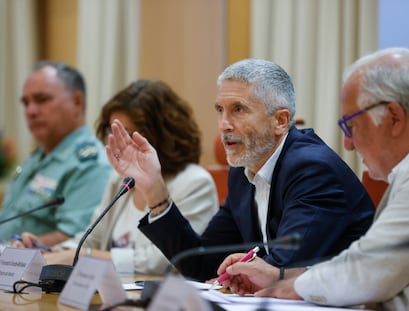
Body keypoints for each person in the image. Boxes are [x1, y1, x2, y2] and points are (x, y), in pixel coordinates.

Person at [106, 58, 375, 282]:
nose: (224, 124)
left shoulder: (312, 169)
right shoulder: (242, 172)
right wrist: (154, 189)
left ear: (280, 121)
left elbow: (281, 269)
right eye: (220, 110)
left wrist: (236, 275)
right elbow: (199, 262)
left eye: (238, 110)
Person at [216, 47, 409, 311]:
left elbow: (370, 270)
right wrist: (281, 276)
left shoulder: (311, 166)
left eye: (351, 126)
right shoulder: (404, 175)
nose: (348, 144)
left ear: (394, 117)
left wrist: (289, 284)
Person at [32, 79, 218, 275]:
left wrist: (88, 257)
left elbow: (164, 261)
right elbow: (92, 239)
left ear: (163, 134)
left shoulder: (195, 183)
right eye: (113, 133)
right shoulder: (120, 179)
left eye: (127, 134)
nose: (119, 144)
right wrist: (47, 251)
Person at [0, 61, 112, 247]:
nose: (30, 111)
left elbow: (75, 238)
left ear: (77, 102)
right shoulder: (37, 157)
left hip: (35, 272)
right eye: (26, 103)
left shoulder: (90, 164)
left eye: (42, 100)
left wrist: (13, 251)